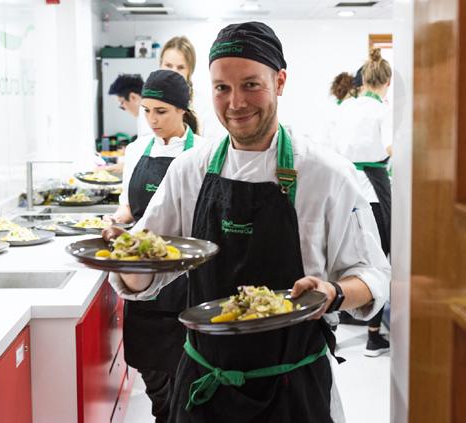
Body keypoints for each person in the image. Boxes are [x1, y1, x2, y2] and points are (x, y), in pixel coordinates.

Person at [107, 22, 390, 422]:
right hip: (205, 386)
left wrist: (334, 293)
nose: (236, 102)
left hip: (293, 389)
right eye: (222, 87)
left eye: (251, 85)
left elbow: (374, 275)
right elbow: (147, 277)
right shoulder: (190, 171)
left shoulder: (327, 174)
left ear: (280, 81)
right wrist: (124, 257)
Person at [108, 69, 206, 423]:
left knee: (184, 369)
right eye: (147, 111)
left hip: (186, 275)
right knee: (149, 365)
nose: (152, 120)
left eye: (161, 111)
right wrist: (114, 223)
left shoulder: (204, 152)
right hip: (143, 272)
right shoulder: (136, 151)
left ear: (183, 110)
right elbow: (128, 206)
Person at [330, 48, 393, 357]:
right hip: (375, 193)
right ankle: (373, 336)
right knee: (378, 260)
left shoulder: (346, 107)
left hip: (346, 190)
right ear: (386, 83)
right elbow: (391, 148)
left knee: (344, 254)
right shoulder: (383, 111)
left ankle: (334, 325)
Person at [159, 36, 200, 134]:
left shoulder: (202, 105)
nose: (173, 73)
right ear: (160, 65)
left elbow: (212, 142)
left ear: (190, 71)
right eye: (168, 65)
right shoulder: (147, 104)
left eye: (180, 67)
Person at [108, 73, 152, 139]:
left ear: (133, 97)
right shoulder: (144, 113)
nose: (122, 108)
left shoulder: (147, 117)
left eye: (122, 102)